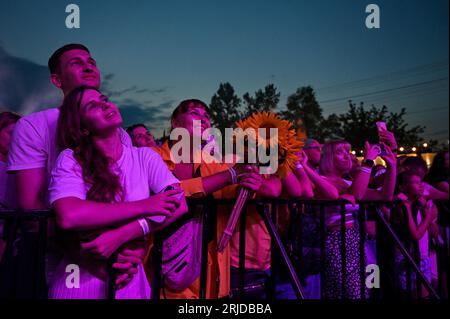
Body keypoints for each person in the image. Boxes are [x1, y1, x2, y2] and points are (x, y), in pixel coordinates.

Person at [5, 43, 142, 294]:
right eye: (76, 62)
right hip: (54, 258)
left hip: (116, 255)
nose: (88, 65)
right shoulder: (34, 126)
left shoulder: (121, 135)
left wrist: (126, 241)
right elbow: (33, 210)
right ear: (56, 80)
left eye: (91, 61)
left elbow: (129, 194)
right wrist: (88, 252)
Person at [48, 86, 188, 298]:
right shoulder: (71, 159)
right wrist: (146, 206)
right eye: (93, 106)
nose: (105, 104)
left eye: (104, 98)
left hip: (130, 274)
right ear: (82, 127)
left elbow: (180, 203)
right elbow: (69, 215)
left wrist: (124, 234)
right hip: (79, 278)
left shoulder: (144, 157)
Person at [148, 99, 269, 299]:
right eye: (195, 113)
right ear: (175, 123)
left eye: (207, 116)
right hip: (160, 278)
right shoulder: (152, 156)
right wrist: (229, 175)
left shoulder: (212, 164)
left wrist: (249, 183)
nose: (203, 120)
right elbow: (168, 195)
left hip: (209, 279)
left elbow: (236, 191)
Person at [312, 140, 397, 298]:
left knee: (369, 286)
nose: (347, 155)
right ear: (328, 158)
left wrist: (392, 167)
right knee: (350, 292)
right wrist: (369, 162)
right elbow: (357, 195)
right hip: (336, 242)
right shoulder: (321, 180)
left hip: (356, 240)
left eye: (348, 151)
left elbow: (384, 196)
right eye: (340, 152)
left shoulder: (348, 182)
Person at [392, 171, 439, 298]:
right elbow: (415, 235)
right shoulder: (402, 207)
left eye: (421, 182)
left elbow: (434, 233)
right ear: (402, 187)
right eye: (415, 182)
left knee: (426, 294)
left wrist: (426, 213)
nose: (421, 186)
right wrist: (429, 216)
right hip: (407, 259)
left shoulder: (422, 205)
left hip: (423, 256)